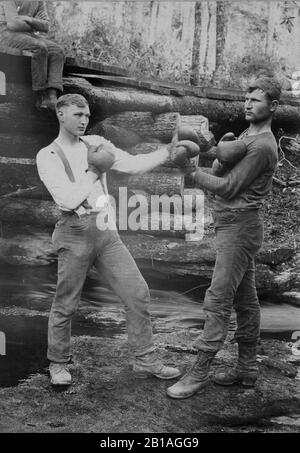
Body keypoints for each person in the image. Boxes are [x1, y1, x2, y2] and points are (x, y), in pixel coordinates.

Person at [36, 93, 199, 386]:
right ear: (60, 115)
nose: (84, 120)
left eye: (86, 115)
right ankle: (58, 363)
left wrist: (167, 151)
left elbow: (133, 164)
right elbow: (68, 199)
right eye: (77, 115)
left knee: (137, 292)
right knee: (66, 302)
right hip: (73, 231)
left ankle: (145, 360)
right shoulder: (47, 155)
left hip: (105, 231)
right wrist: (95, 169)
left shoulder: (97, 143)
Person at [167, 76, 281, 399]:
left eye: (256, 100)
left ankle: (200, 370)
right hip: (233, 223)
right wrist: (214, 156)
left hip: (240, 225)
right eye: (246, 98)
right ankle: (246, 368)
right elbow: (224, 170)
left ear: (272, 107)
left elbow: (230, 187)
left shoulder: (263, 145)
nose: (247, 103)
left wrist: (192, 174)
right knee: (246, 299)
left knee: (218, 297)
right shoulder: (248, 134)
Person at [0, 1, 64, 110]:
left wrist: (29, 19)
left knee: (57, 50)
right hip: (6, 33)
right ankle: (39, 95)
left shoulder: (38, 1)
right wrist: (34, 26)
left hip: (27, 35)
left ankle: (51, 96)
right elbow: (13, 24)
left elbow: (46, 26)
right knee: (39, 47)